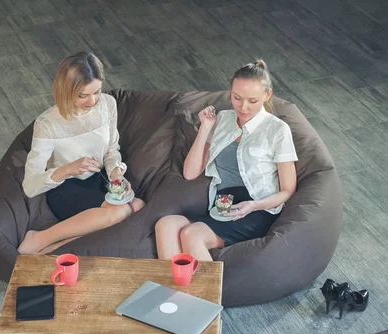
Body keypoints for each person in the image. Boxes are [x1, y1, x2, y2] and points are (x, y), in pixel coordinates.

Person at [155, 60, 298, 261]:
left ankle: (206, 293)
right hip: (221, 207)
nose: (243, 107)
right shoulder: (223, 119)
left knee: (192, 234)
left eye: (252, 100)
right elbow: (190, 173)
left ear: (267, 95)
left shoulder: (277, 130)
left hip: (258, 209)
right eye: (236, 97)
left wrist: (254, 205)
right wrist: (205, 127)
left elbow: (287, 190)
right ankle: (173, 291)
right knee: (166, 225)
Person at [18, 52, 145, 254]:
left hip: (100, 178)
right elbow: (30, 186)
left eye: (97, 91)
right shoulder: (47, 125)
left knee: (138, 205)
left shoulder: (108, 104)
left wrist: (116, 173)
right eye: (82, 95)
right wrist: (69, 169)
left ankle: (56, 247)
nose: (93, 100)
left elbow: (112, 149)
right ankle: (41, 238)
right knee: (121, 212)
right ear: (66, 90)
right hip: (66, 187)